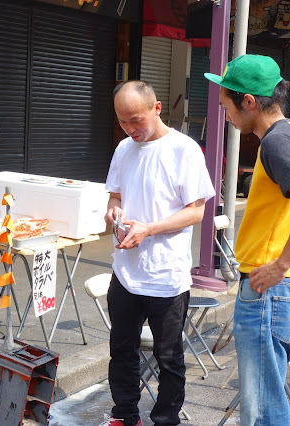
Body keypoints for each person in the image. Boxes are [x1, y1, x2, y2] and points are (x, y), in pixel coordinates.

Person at [100, 81, 215, 426]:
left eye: (136, 120)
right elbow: (115, 196)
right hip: (125, 271)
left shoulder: (185, 149)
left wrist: (148, 228)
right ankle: (124, 414)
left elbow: (196, 212)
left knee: (169, 356)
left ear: (157, 108)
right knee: (121, 349)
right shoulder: (123, 149)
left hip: (166, 274)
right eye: (122, 121)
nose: (130, 129)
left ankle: (166, 419)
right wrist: (113, 213)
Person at [205, 54, 290, 425]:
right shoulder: (281, 138)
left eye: (227, 105)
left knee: (261, 407)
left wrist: (281, 264)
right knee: (269, 396)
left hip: (267, 286)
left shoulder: (277, 142)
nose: (225, 113)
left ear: (249, 102)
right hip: (272, 286)